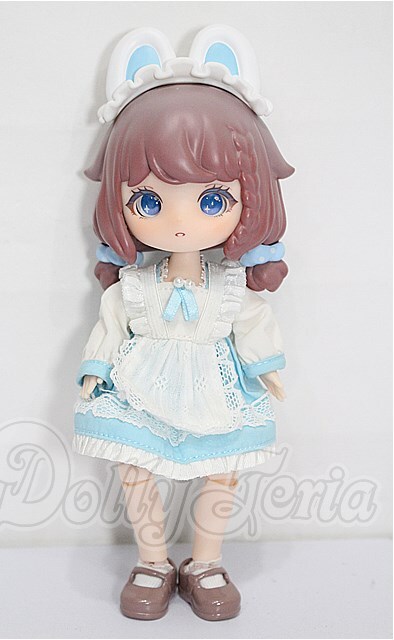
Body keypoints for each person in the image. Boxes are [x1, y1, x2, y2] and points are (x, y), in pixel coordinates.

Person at [73, 25, 294, 621]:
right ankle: (152, 559)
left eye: (211, 200)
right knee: (133, 466)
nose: (177, 221)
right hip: (141, 385)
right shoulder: (133, 286)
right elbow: (111, 325)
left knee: (222, 469)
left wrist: (267, 370)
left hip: (215, 388)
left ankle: (206, 560)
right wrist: (94, 371)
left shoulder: (230, 286)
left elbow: (252, 323)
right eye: (148, 201)